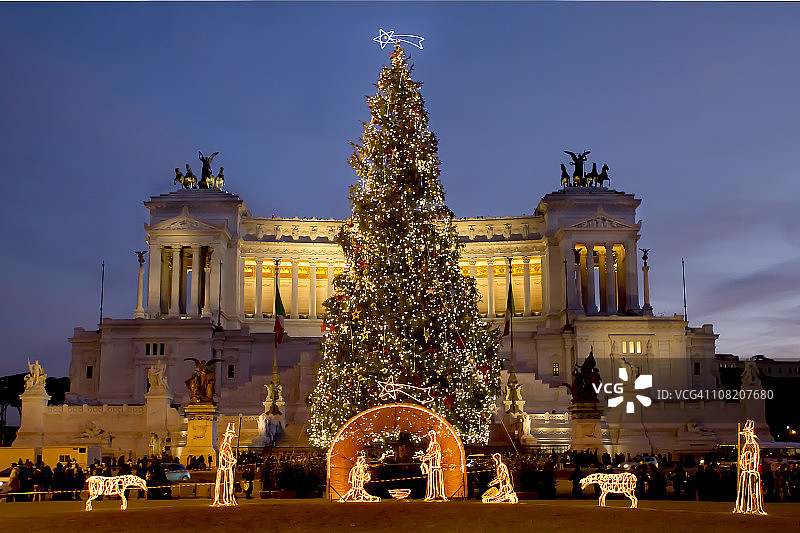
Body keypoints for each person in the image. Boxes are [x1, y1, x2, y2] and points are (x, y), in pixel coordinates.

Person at [419, 430, 448, 501]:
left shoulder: (435, 444)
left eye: (432, 435)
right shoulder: (431, 444)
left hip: (436, 465)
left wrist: (426, 458)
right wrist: (424, 457)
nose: (431, 437)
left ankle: (439, 494)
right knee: (431, 481)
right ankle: (432, 494)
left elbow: (434, 454)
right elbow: (430, 453)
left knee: (437, 480)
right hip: (432, 465)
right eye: (430, 435)